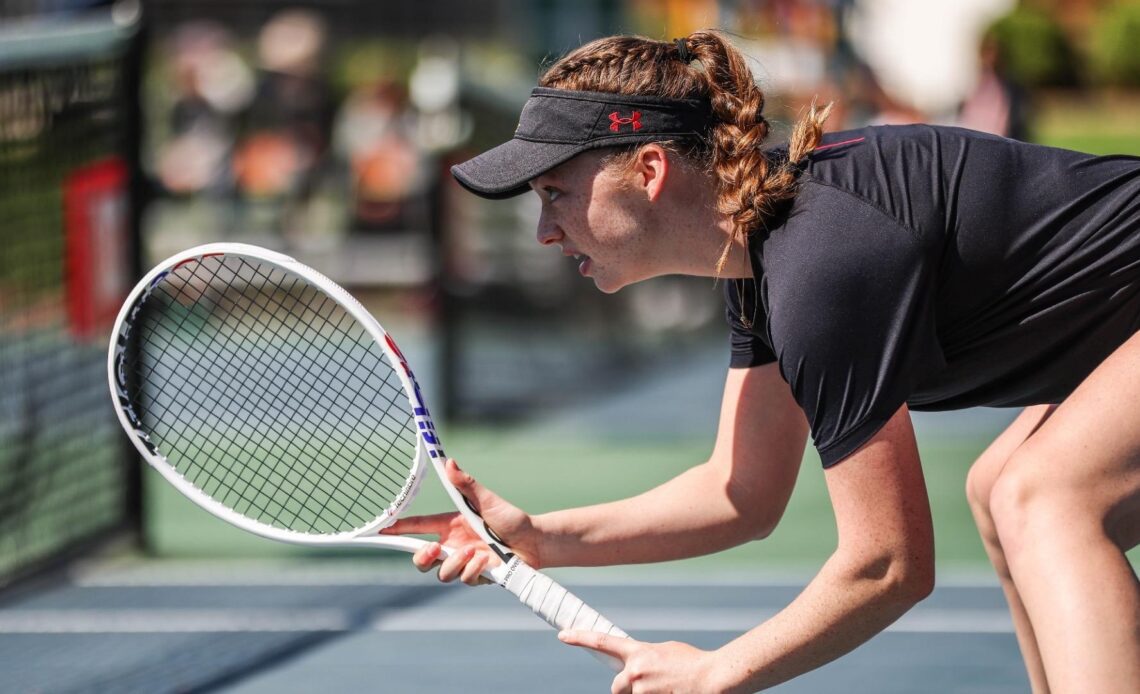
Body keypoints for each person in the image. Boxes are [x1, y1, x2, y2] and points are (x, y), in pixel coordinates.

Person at [382, 31, 1140, 693]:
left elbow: (889, 565)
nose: (545, 230)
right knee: (1001, 492)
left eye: (556, 192)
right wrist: (542, 538)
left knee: (1043, 499)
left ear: (649, 171)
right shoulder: (763, 258)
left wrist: (718, 670)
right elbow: (741, 492)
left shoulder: (820, 261)